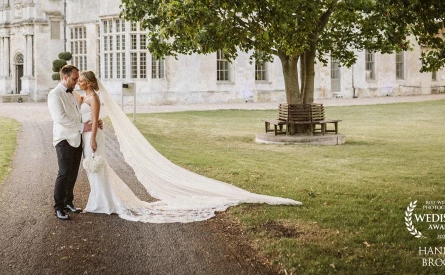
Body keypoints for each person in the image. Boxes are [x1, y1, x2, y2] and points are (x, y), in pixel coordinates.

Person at [77, 70, 301, 223]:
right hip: (88, 135)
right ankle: (100, 201)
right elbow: (73, 103)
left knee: (98, 167)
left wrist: (94, 136)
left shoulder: (94, 98)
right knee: (94, 169)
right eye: (77, 80)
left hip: (94, 138)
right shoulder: (83, 96)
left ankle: (104, 202)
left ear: (89, 82)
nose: (78, 82)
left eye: (81, 80)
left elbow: (95, 118)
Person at [47, 64, 102, 220]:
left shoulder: (75, 94)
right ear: (65, 77)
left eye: (78, 78)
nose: (77, 81)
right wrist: (82, 127)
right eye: (74, 78)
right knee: (63, 173)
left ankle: (68, 202)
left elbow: (86, 108)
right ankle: (58, 207)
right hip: (64, 139)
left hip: (77, 138)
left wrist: (97, 120)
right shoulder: (55, 95)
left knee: (72, 174)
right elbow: (60, 118)